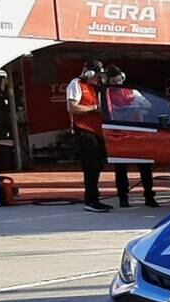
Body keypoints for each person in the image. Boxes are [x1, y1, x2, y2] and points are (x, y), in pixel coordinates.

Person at [105, 65, 158, 208]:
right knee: (121, 168)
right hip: (119, 133)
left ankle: (149, 196)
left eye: (118, 81)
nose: (117, 84)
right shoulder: (105, 94)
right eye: (114, 82)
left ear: (122, 78)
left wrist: (136, 107)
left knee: (145, 167)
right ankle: (123, 198)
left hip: (138, 132)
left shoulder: (133, 92)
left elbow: (148, 105)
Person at [66, 59, 110, 212]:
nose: (97, 78)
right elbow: (72, 107)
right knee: (90, 167)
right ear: (89, 73)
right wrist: (94, 109)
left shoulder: (93, 87)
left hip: (96, 130)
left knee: (97, 166)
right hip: (84, 130)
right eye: (96, 75)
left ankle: (94, 198)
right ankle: (90, 200)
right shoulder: (76, 84)